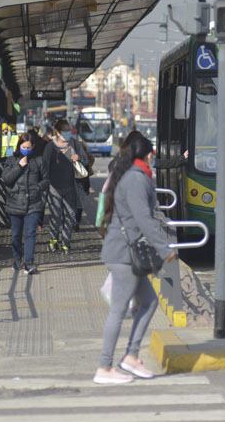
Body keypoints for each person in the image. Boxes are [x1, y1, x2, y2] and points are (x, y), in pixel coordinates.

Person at [94, 134, 177, 384]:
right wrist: (165, 248)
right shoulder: (136, 179)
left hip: (125, 252)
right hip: (123, 254)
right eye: (152, 155)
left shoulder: (134, 176)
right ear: (147, 155)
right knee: (118, 312)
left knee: (150, 302)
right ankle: (105, 368)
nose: (153, 159)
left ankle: (130, 356)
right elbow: (143, 218)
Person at [1, 132, 49, 274]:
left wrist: (38, 188)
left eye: (28, 147)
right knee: (16, 235)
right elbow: (6, 179)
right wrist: (19, 167)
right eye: (23, 146)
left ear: (33, 146)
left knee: (30, 234)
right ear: (19, 146)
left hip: (33, 203)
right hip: (15, 202)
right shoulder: (11, 160)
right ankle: (17, 259)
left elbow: (46, 179)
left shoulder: (39, 161)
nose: (26, 149)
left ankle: (29, 262)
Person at [42, 119, 88, 255]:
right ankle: (53, 239)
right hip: (54, 187)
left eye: (69, 130)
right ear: (57, 131)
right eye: (65, 131)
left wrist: (78, 158)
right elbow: (44, 166)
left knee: (70, 215)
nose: (68, 133)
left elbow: (85, 160)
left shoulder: (75, 144)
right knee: (55, 215)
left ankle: (66, 242)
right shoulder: (50, 147)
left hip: (71, 186)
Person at [74, 139, 95, 231]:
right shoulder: (86, 155)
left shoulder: (83, 156)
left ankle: (74, 221)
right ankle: (76, 221)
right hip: (82, 181)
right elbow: (91, 161)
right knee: (79, 203)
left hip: (79, 180)